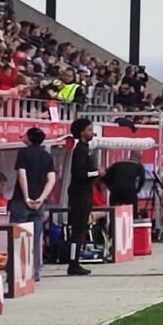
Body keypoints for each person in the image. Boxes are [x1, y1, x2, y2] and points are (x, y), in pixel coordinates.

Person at [11, 127, 57, 278]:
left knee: (17, 237)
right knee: (35, 239)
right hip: (39, 204)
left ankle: (17, 272)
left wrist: (27, 197)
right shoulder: (47, 156)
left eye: (25, 134)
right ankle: (34, 272)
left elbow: (22, 175)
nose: (22, 136)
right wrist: (41, 198)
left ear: (29, 137)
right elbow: (51, 180)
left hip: (20, 201)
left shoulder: (23, 153)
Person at [65, 117, 98, 276]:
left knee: (80, 230)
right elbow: (79, 173)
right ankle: (73, 262)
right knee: (77, 230)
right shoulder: (80, 150)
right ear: (82, 132)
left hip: (85, 193)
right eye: (89, 130)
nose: (92, 133)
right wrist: (96, 172)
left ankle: (75, 261)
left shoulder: (85, 149)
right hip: (79, 194)